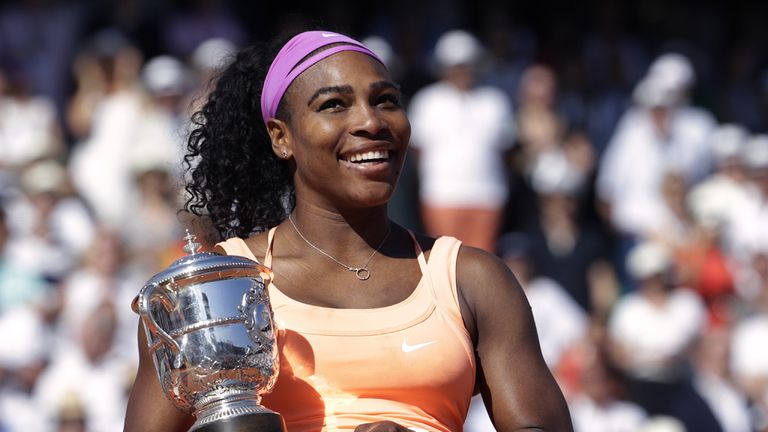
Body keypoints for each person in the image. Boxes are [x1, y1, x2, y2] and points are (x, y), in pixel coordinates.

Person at [124, 29, 572, 432]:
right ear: (281, 137)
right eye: (334, 105)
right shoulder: (211, 288)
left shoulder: (471, 279)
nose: (371, 122)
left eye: (386, 101)